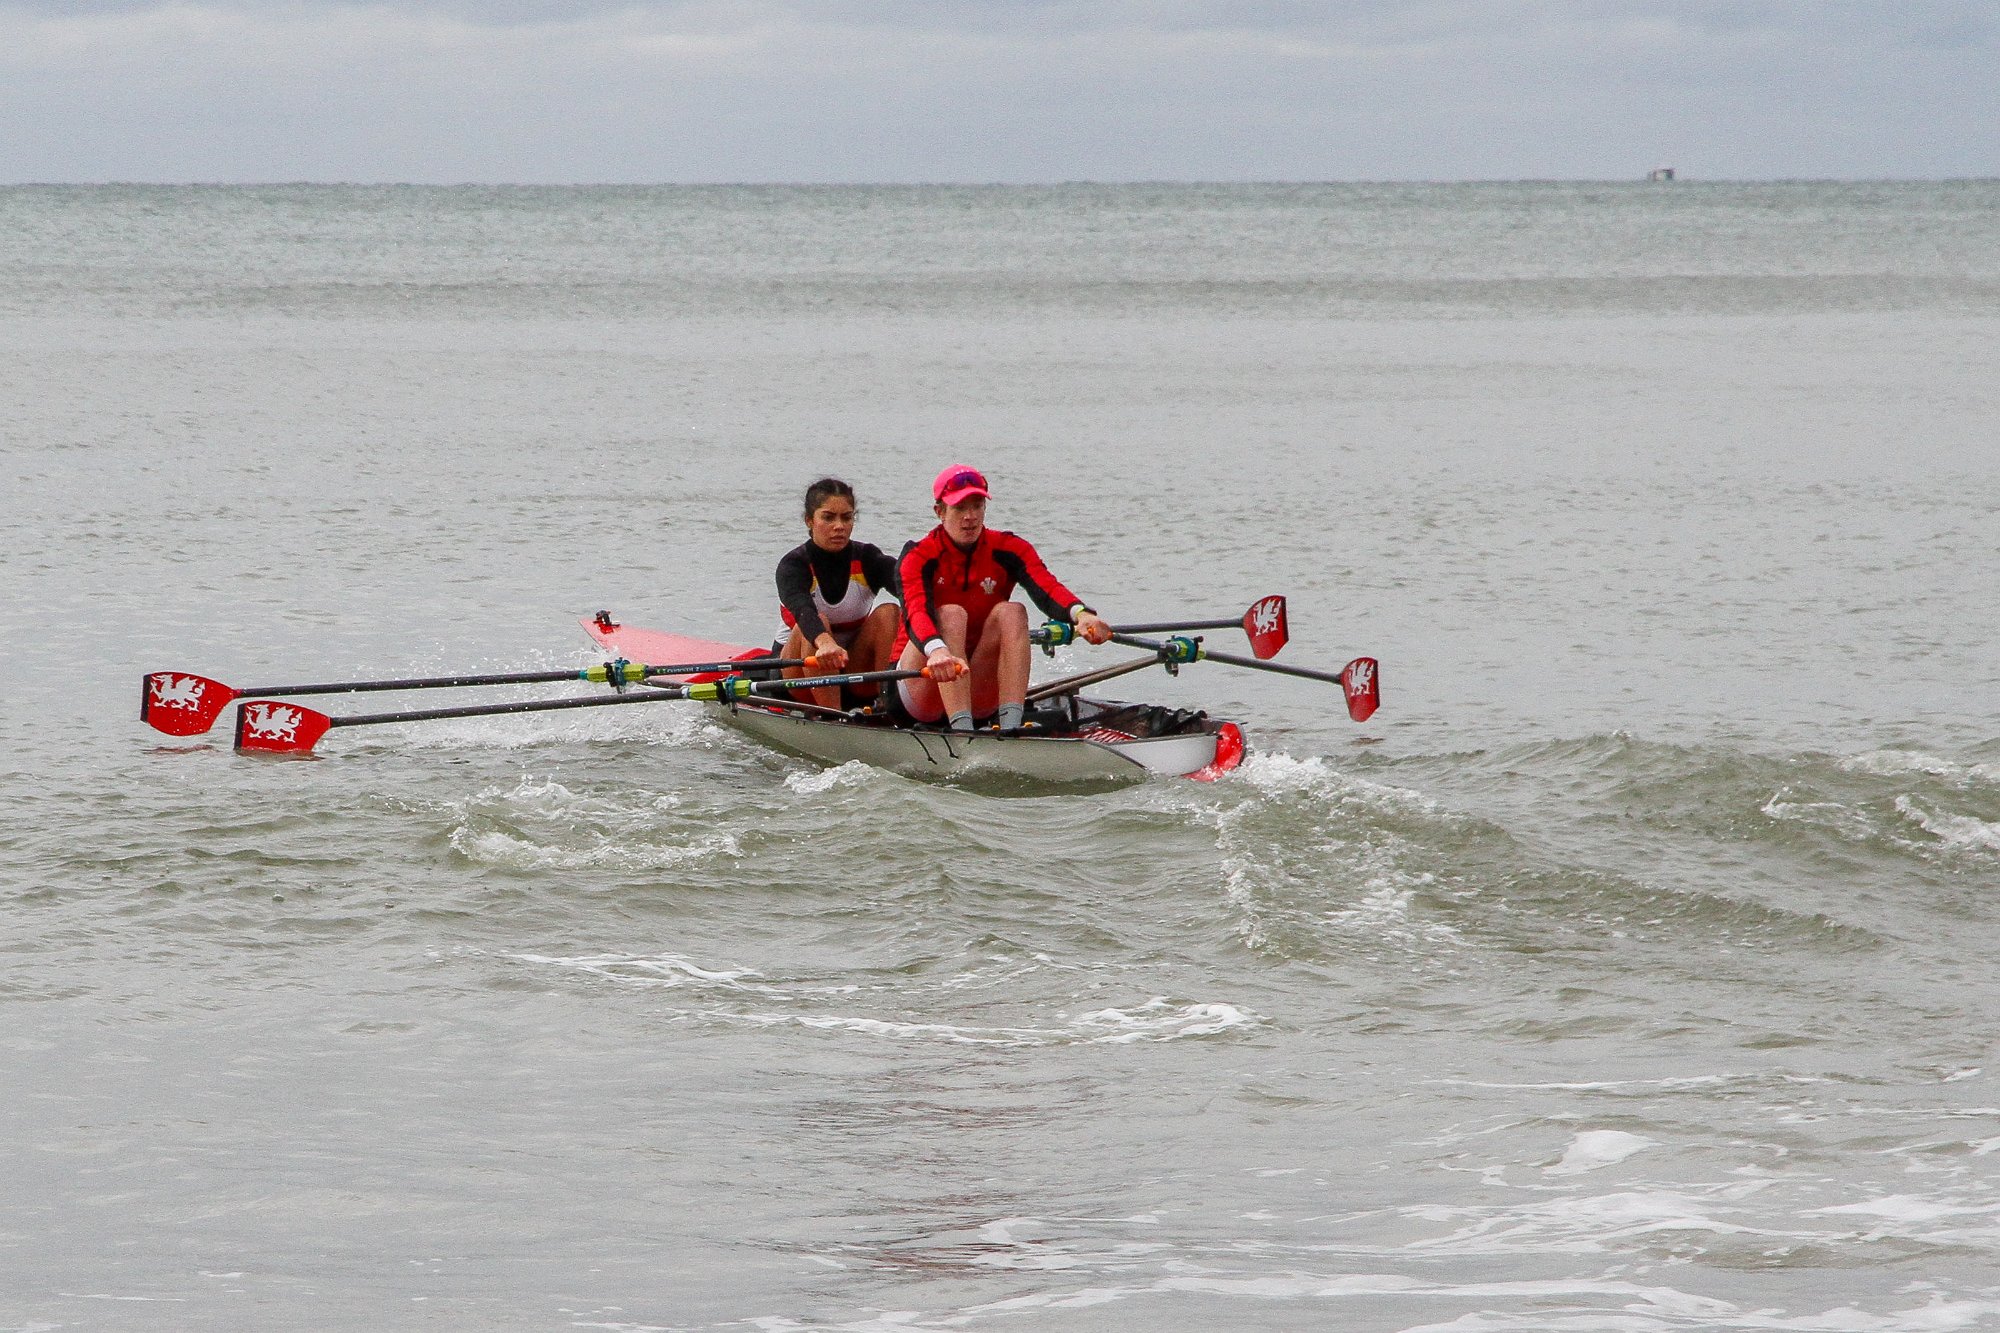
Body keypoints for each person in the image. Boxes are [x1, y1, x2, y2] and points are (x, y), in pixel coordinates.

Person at [894, 465, 1111, 732]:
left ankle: (1010, 727)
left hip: (975, 681)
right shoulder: (918, 556)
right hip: (918, 683)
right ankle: (963, 733)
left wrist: (1082, 614)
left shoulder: (1009, 548)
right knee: (951, 614)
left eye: (977, 505)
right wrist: (936, 650)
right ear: (939, 512)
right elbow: (916, 612)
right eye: (960, 508)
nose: (970, 517)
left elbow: (1047, 587)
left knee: (1013, 611)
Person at [774, 478, 903, 709]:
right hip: (796, 677)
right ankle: (832, 716)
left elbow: (912, 590)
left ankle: (890, 703)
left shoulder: (869, 559)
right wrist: (824, 643)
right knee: (819, 622)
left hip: (851, 670)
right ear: (809, 520)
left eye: (847, 517)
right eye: (828, 517)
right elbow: (804, 611)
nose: (839, 526)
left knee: (889, 612)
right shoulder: (793, 565)